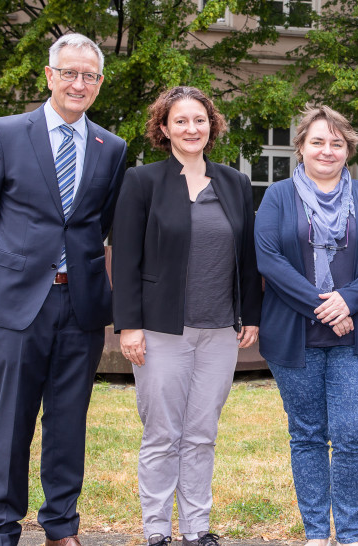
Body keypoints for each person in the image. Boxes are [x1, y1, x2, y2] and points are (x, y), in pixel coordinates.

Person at [111, 86, 261, 546]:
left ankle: (197, 529)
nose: (190, 128)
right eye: (180, 121)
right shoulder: (143, 181)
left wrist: (250, 314)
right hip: (160, 330)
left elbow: (247, 255)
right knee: (162, 434)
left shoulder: (234, 183)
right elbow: (126, 256)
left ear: (211, 126)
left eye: (199, 120)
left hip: (218, 331)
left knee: (201, 434)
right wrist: (129, 325)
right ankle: (157, 530)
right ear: (164, 128)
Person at [0, 33, 127, 546]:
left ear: (99, 84)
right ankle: (3, 525)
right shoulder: (6, 133)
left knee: (69, 420)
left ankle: (60, 526)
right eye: (69, 73)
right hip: (16, 301)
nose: (79, 83)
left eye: (89, 76)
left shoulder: (111, 147)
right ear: (49, 76)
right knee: (9, 420)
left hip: (82, 304)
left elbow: (105, 223)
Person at [254, 105, 358, 546]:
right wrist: (326, 307)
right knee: (307, 436)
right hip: (294, 337)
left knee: (353, 437)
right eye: (317, 141)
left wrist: (348, 301)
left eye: (336, 143)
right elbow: (269, 260)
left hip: (357, 337)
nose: (327, 150)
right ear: (300, 147)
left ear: (348, 150)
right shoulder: (277, 196)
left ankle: (350, 535)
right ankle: (317, 533)